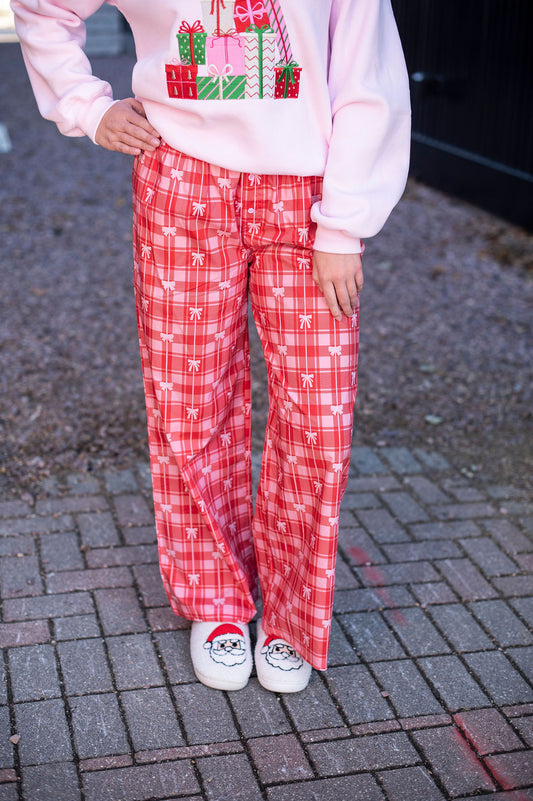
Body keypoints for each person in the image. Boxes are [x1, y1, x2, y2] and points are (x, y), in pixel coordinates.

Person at [11, 0, 411, 693]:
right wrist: (86, 105)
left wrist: (345, 222)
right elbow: (43, 7)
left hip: (305, 194)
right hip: (181, 178)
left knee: (318, 416)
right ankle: (217, 598)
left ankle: (291, 613)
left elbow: (365, 73)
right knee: (189, 399)